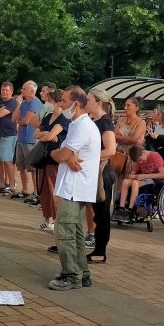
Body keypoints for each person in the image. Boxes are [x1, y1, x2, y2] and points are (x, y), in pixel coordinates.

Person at [48, 86, 101, 290]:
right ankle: (82, 273)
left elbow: (62, 154)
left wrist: (57, 154)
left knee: (65, 233)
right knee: (76, 233)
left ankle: (71, 276)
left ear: (76, 104)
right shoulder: (78, 124)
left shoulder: (83, 126)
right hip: (74, 186)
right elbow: (67, 154)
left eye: (63, 100)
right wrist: (64, 155)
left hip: (75, 187)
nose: (60, 104)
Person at [86, 89, 118, 264]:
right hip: (92, 172)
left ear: (98, 102)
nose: (86, 102)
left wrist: (86, 157)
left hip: (102, 174)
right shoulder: (93, 120)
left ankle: (100, 251)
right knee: (93, 210)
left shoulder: (105, 122)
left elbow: (111, 150)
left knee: (101, 212)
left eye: (89, 100)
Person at [33, 88, 69, 231]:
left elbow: (47, 137)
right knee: (43, 189)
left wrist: (45, 135)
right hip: (43, 156)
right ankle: (47, 218)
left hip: (55, 157)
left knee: (53, 188)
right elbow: (36, 133)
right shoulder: (48, 117)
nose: (51, 104)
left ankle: (55, 219)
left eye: (53, 101)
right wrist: (46, 133)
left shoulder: (64, 120)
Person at [116, 144, 164, 221]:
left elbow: (163, 175)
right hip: (142, 179)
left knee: (135, 183)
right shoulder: (139, 159)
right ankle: (121, 208)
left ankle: (131, 209)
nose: (140, 162)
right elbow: (131, 175)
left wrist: (144, 176)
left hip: (153, 180)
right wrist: (134, 176)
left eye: (140, 160)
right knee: (126, 181)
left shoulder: (155, 156)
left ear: (143, 152)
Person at [11, 81, 43, 200]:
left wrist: (20, 121)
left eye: (24, 89)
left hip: (31, 139)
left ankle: (36, 192)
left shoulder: (35, 103)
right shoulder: (23, 103)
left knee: (32, 167)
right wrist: (19, 105)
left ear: (32, 91)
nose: (22, 91)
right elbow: (14, 118)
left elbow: (26, 121)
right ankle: (25, 190)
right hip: (21, 139)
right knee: (21, 166)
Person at [0, 82, 18, 194]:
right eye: (2, 90)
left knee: (7, 161)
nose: (4, 92)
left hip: (7, 135)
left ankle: (11, 185)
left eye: (6, 90)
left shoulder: (12, 103)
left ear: (11, 91)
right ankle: (1, 184)